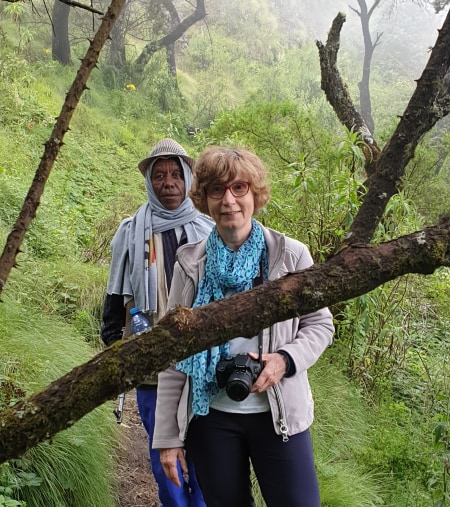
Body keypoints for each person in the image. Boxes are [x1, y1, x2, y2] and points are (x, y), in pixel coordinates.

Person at [152, 146, 334, 507]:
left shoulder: (289, 255)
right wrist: (168, 436)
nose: (229, 200)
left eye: (239, 188)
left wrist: (284, 360)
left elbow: (320, 324)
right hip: (210, 417)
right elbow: (173, 353)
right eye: (217, 190)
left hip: (279, 415)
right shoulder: (189, 263)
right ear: (204, 199)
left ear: (255, 194)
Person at [102, 138, 212, 507]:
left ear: (188, 178)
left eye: (175, 174)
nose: (168, 183)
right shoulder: (131, 230)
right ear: (150, 181)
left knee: (203, 453)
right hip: (149, 360)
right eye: (159, 175)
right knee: (163, 452)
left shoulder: (208, 230)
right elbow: (116, 290)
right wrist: (114, 333)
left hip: (200, 360)